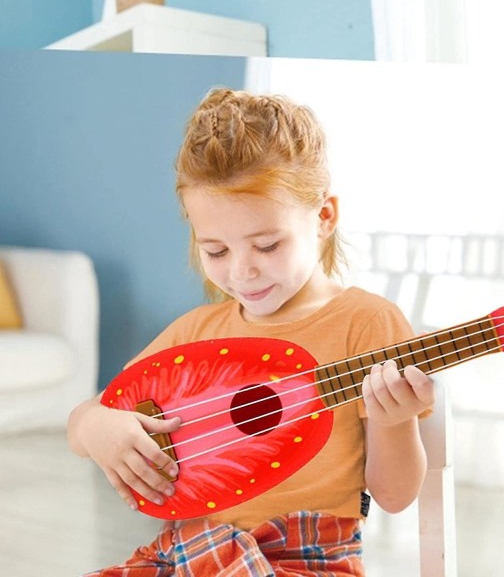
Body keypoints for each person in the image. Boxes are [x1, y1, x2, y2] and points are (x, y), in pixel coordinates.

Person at [68, 88, 435, 576]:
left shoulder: (365, 324)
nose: (242, 273)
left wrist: (395, 420)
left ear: (324, 217)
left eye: (267, 245)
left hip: (309, 560)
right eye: (216, 251)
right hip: (192, 553)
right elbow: (83, 420)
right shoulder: (196, 334)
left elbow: (393, 496)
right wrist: (95, 427)